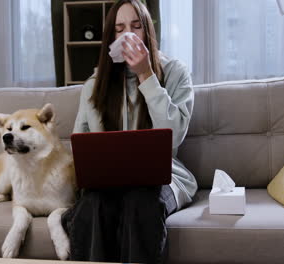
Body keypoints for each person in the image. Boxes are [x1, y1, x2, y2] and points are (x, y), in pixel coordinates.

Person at [61, 0, 197, 263]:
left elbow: (174, 135)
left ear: (148, 32)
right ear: (109, 37)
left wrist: (146, 75)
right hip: (108, 182)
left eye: (136, 27)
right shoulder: (93, 85)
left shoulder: (176, 73)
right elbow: (81, 147)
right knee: (92, 204)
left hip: (162, 179)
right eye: (119, 29)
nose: (128, 36)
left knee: (141, 202)